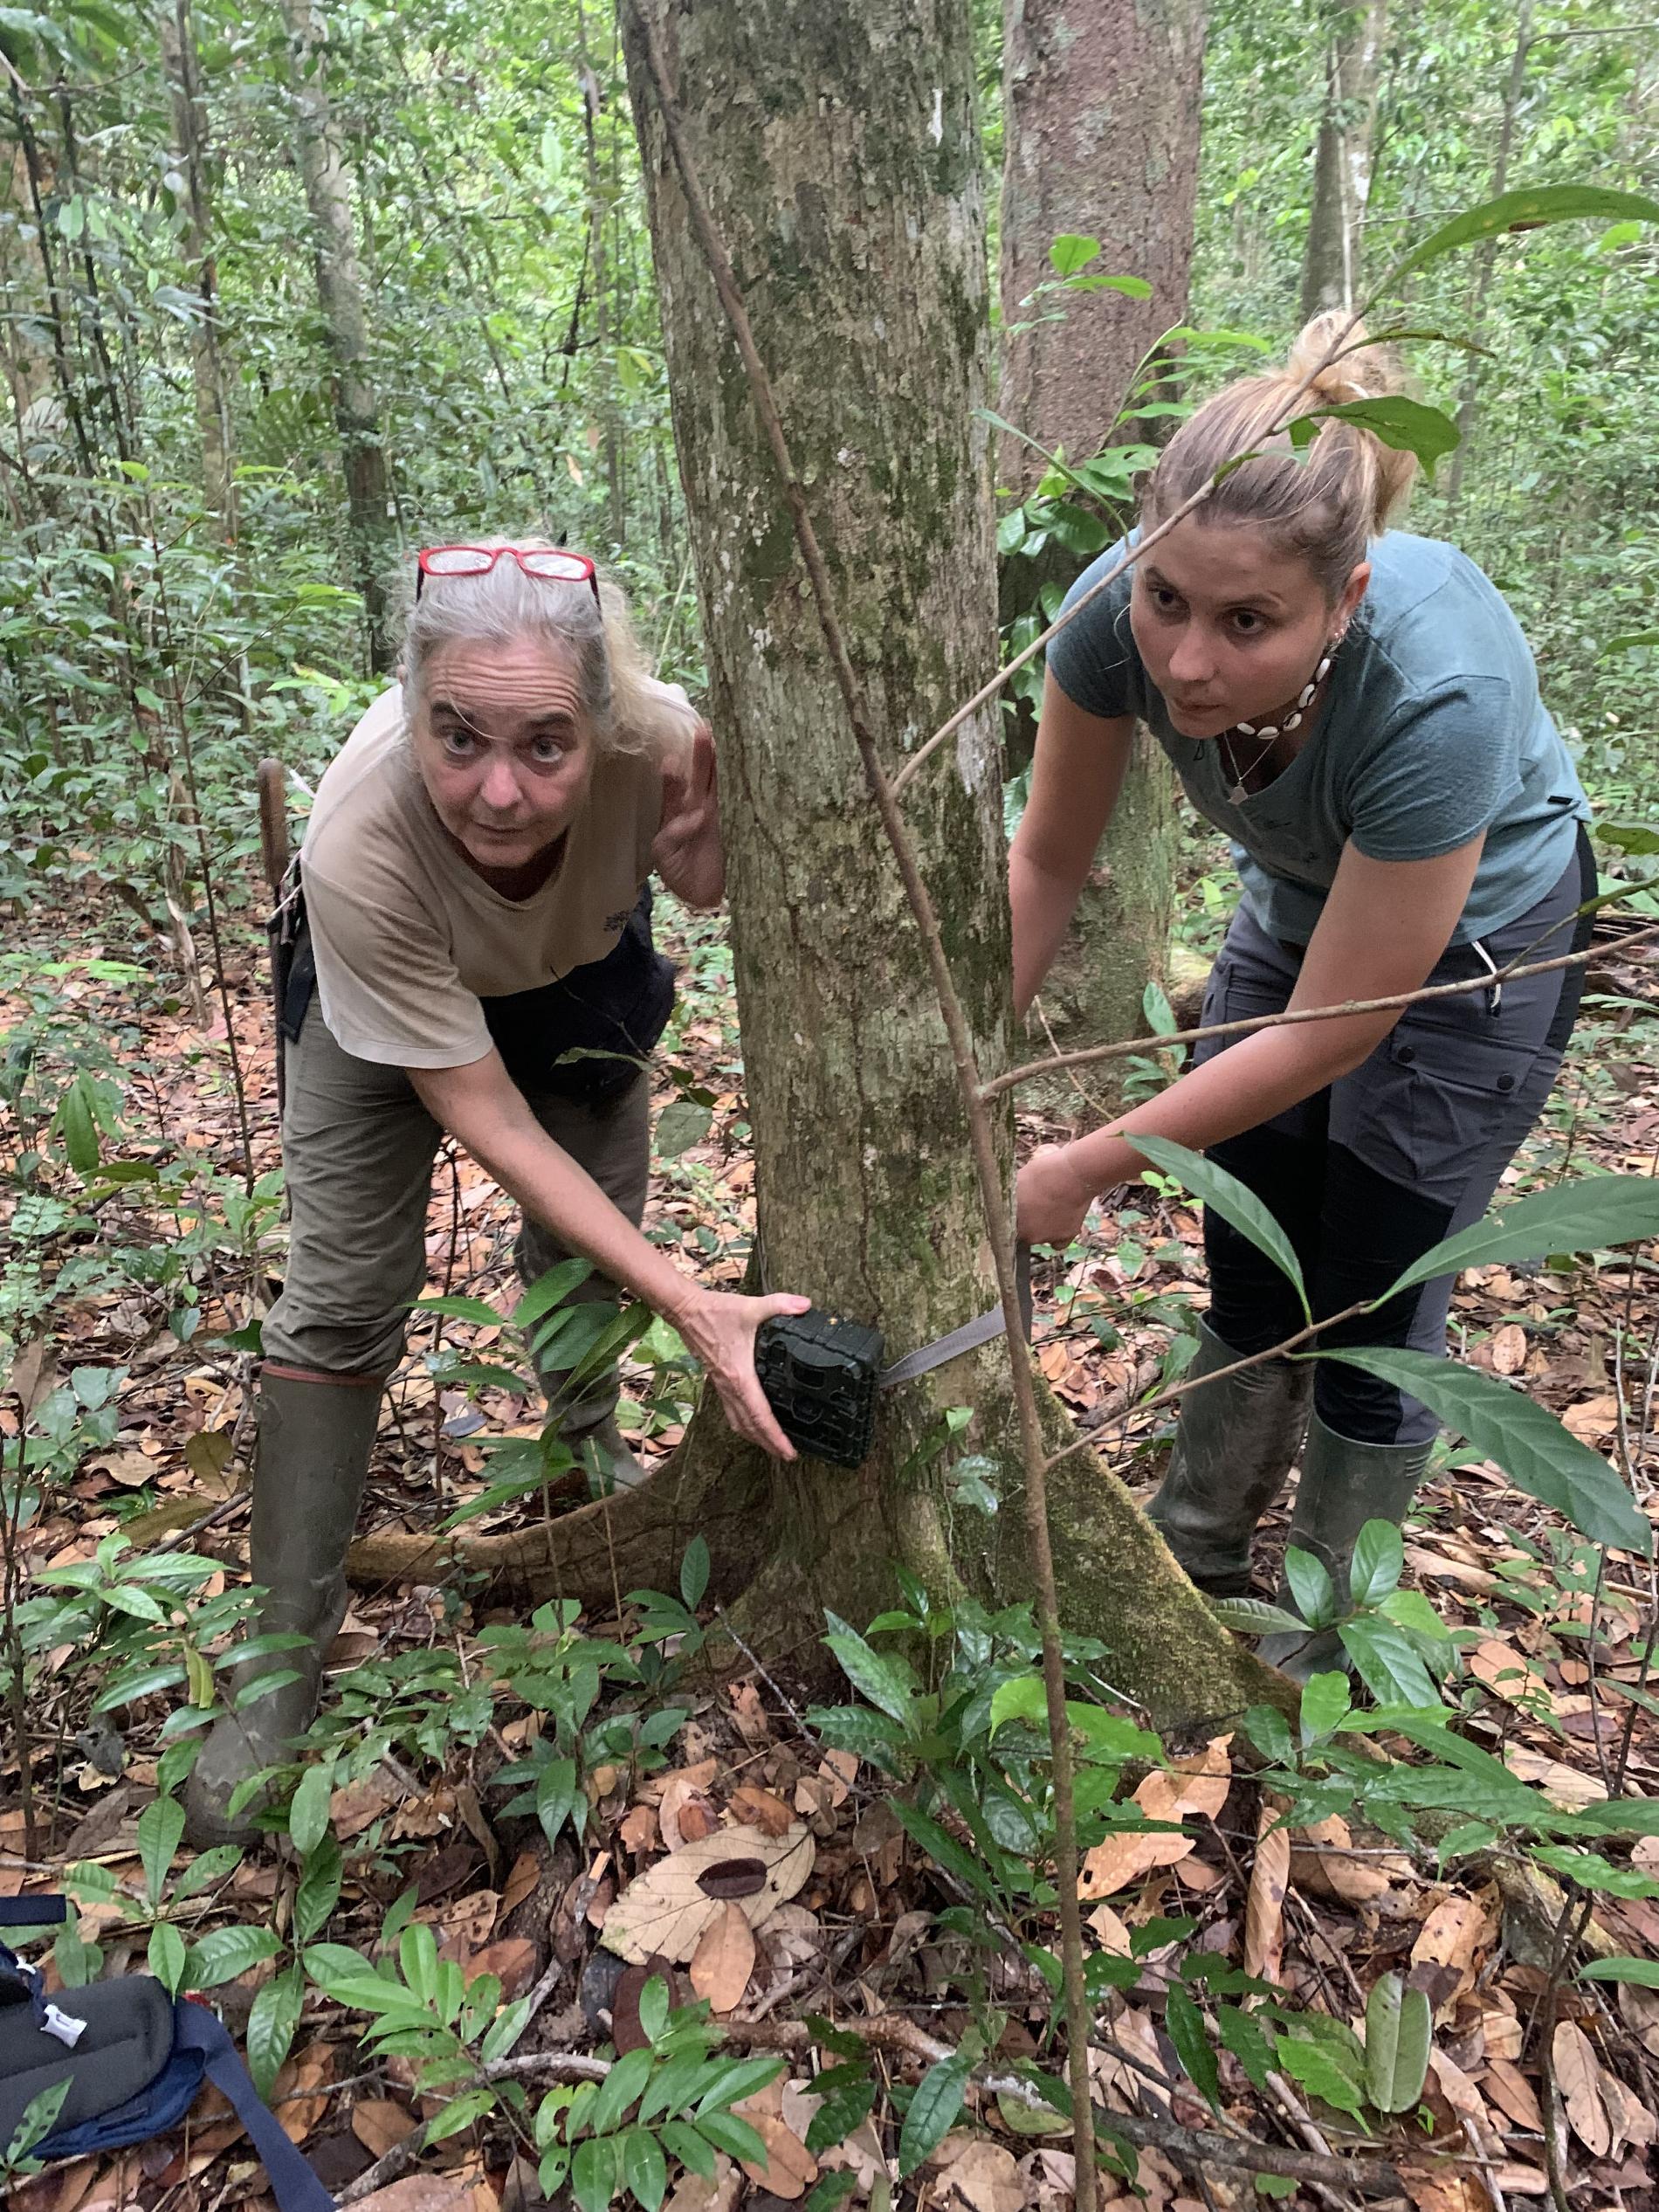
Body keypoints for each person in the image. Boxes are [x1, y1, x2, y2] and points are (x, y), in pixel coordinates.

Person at [184, 541, 810, 1844]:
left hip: (574, 966)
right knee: (345, 1295)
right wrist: (695, 1303)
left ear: (604, 724)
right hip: (386, 998)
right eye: (457, 737)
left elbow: (703, 880)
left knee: (592, 1244)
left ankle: (591, 1460)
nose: (501, 790)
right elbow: (477, 1110)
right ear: (411, 707)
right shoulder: (364, 834)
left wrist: (709, 860)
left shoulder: (663, 744)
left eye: (545, 746)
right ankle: (280, 1662)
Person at [1009, 318, 1594, 1678]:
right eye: (1167, 600)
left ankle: (1325, 1638)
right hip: (1297, 901)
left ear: (1346, 599)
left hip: (1479, 953)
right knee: (1252, 1229)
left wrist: (1093, 1163)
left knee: (1372, 1278)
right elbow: (1047, 854)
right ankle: (1194, 1552)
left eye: (1247, 622)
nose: (1188, 661)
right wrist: (967, 1056)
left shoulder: (1434, 692)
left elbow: (1341, 1026)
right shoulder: (1112, 618)